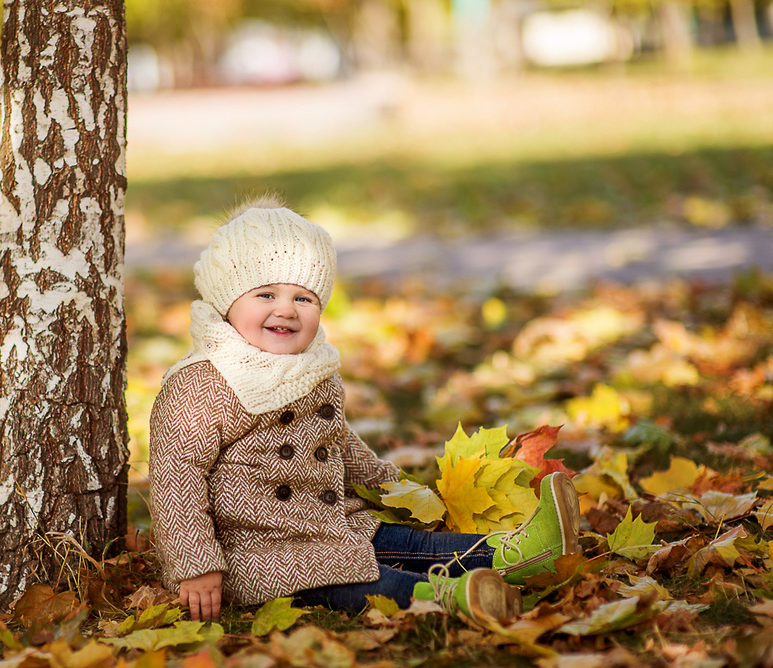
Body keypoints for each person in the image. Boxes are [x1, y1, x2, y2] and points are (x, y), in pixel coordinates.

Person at [148, 195, 581, 623]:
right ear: (227, 301)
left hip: (334, 525)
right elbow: (175, 476)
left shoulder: (312, 368)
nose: (286, 309)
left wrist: (395, 489)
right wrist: (197, 564)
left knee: (409, 544)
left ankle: (521, 554)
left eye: (304, 298)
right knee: (371, 584)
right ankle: (449, 599)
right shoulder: (204, 381)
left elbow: (337, 442)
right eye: (265, 294)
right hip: (259, 553)